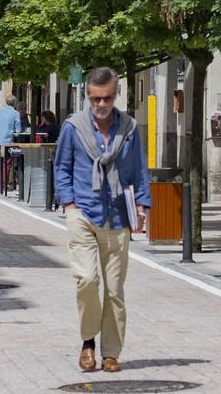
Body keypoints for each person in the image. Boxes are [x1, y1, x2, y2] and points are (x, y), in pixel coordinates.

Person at [53, 67, 152, 373]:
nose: (101, 104)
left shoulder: (129, 129)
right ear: (88, 96)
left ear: (116, 94)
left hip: (117, 214)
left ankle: (111, 351)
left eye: (107, 98)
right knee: (87, 280)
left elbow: (138, 168)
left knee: (114, 290)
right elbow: (62, 167)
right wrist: (68, 202)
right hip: (82, 211)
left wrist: (142, 205)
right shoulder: (73, 127)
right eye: (95, 99)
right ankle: (87, 342)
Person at [0, 95, 23, 191]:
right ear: (15, 103)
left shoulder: (0, 112)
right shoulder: (15, 113)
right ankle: (3, 186)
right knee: (7, 163)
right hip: (6, 141)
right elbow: (18, 130)